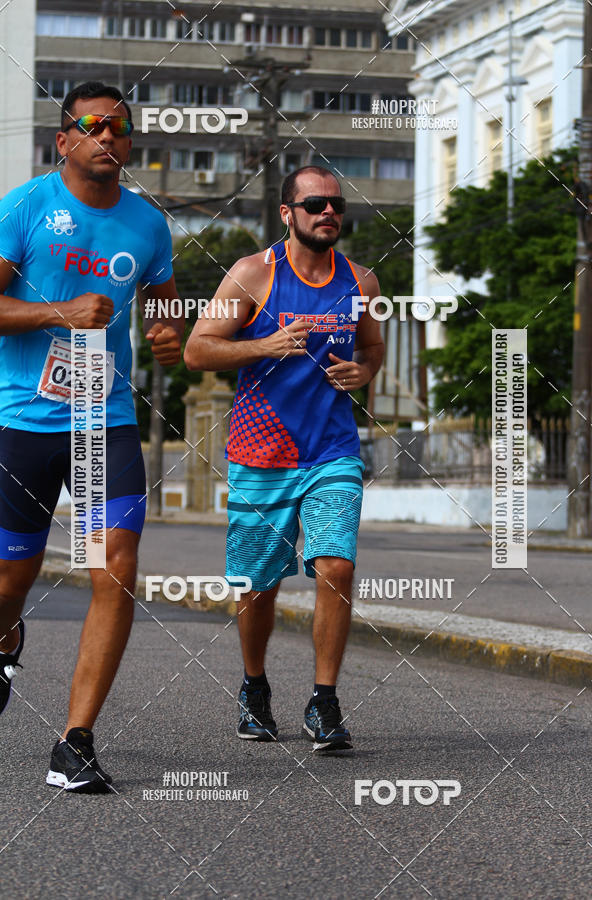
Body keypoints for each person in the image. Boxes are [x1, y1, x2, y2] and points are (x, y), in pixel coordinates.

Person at [0, 81, 182, 792]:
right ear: (65, 140)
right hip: (22, 419)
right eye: (95, 126)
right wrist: (58, 311)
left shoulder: (149, 225)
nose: (110, 137)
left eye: (121, 129)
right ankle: (7, 638)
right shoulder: (26, 207)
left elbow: (166, 316)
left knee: (117, 564)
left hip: (103, 419)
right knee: (13, 575)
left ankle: (75, 741)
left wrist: (169, 339)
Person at [184, 165, 384, 751]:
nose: (328, 213)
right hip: (262, 451)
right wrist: (264, 345)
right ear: (287, 214)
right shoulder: (252, 275)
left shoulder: (363, 281)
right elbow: (197, 350)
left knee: (337, 567)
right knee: (257, 583)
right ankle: (254, 686)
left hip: (332, 449)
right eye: (315, 203)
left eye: (337, 204)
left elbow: (373, 350)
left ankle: (324, 701)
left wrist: (362, 372)